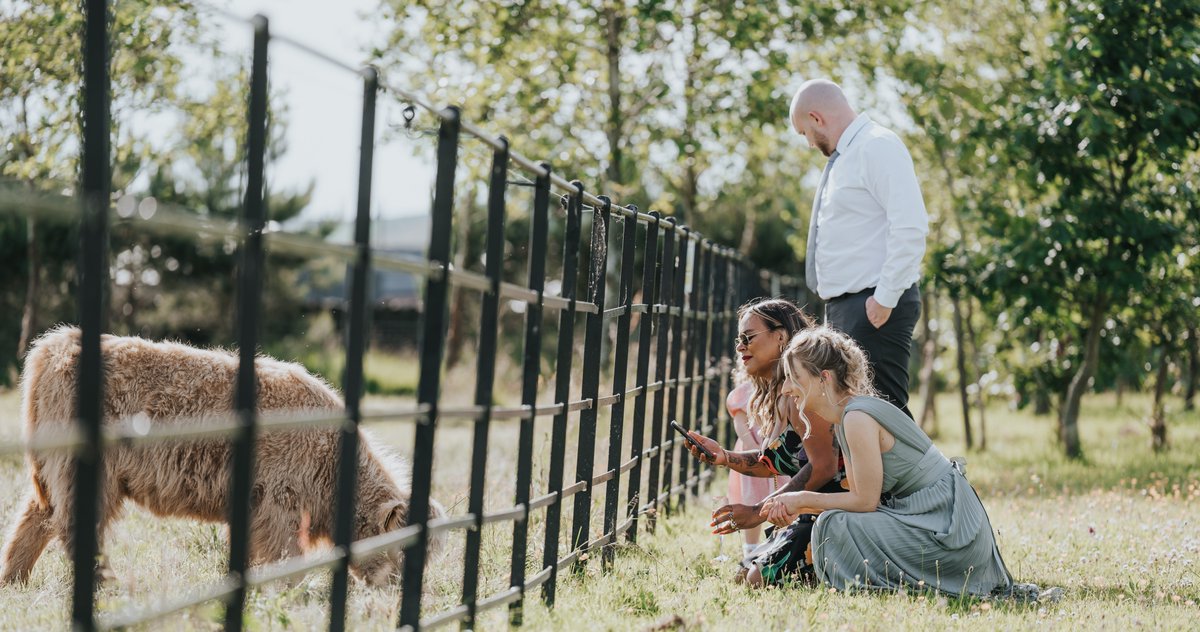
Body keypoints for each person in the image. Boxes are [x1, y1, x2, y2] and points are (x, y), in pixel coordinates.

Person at [759, 325, 1013, 596]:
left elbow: (865, 502)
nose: (786, 388)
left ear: (824, 378)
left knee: (834, 524)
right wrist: (799, 506)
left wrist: (800, 500)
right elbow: (859, 502)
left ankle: (866, 586)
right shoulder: (847, 419)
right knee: (833, 520)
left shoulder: (857, 417)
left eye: (793, 377)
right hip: (932, 517)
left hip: (949, 528)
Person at [790, 78, 929, 418]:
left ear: (817, 117)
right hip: (849, 309)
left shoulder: (877, 146)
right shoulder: (846, 159)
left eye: (804, 132)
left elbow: (910, 226)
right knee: (856, 420)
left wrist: (885, 298)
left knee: (884, 418)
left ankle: (932, 475)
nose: (809, 143)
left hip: (873, 308)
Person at [681, 297, 842, 587]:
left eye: (748, 337)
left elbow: (825, 467)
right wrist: (724, 457)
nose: (740, 346)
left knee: (755, 579)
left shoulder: (802, 392)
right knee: (745, 575)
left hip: (841, 513)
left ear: (780, 337)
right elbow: (777, 460)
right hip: (816, 511)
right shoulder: (785, 391)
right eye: (738, 339)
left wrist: (758, 512)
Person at [724, 375, 790, 559]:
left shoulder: (785, 389)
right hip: (751, 450)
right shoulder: (745, 391)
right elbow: (739, 421)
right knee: (750, 498)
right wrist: (753, 448)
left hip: (775, 449)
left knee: (782, 496)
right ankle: (750, 548)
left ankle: (782, 539)